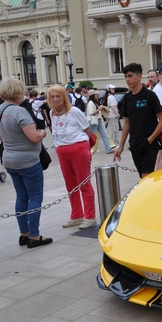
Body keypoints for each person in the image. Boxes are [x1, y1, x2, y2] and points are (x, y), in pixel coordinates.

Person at [0, 78, 53, 248]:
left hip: (9, 159)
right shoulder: (19, 112)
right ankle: (34, 235)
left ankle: (24, 233)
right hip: (27, 160)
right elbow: (33, 137)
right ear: (18, 92)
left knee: (21, 196)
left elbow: (0, 137)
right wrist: (42, 133)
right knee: (34, 197)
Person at [48, 85, 98, 229]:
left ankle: (90, 216)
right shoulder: (52, 113)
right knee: (70, 184)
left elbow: (88, 131)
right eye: (52, 96)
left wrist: (86, 149)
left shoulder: (74, 111)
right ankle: (76, 215)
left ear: (64, 97)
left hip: (78, 149)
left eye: (58, 96)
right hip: (62, 151)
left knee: (84, 183)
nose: (55, 99)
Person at [114, 63, 162, 178]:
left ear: (139, 76)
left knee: (146, 176)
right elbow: (127, 123)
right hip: (134, 143)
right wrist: (121, 146)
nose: (127, 79)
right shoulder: (127, 98)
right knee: (143, 177)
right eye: (126, 77)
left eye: (130, 76)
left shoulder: (150, 95)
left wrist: (150, 139)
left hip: (149, 143)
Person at [86, 90, 114, 154]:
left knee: (104, 135)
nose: (97, 95)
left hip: (98, 120)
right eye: (96, 94)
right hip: (94, 121)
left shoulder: (95, 102)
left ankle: (108, 149)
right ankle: (88, 150)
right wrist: (99, 109)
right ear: (93, 95)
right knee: (92, 136)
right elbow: (92, 113)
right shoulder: (90, 103)